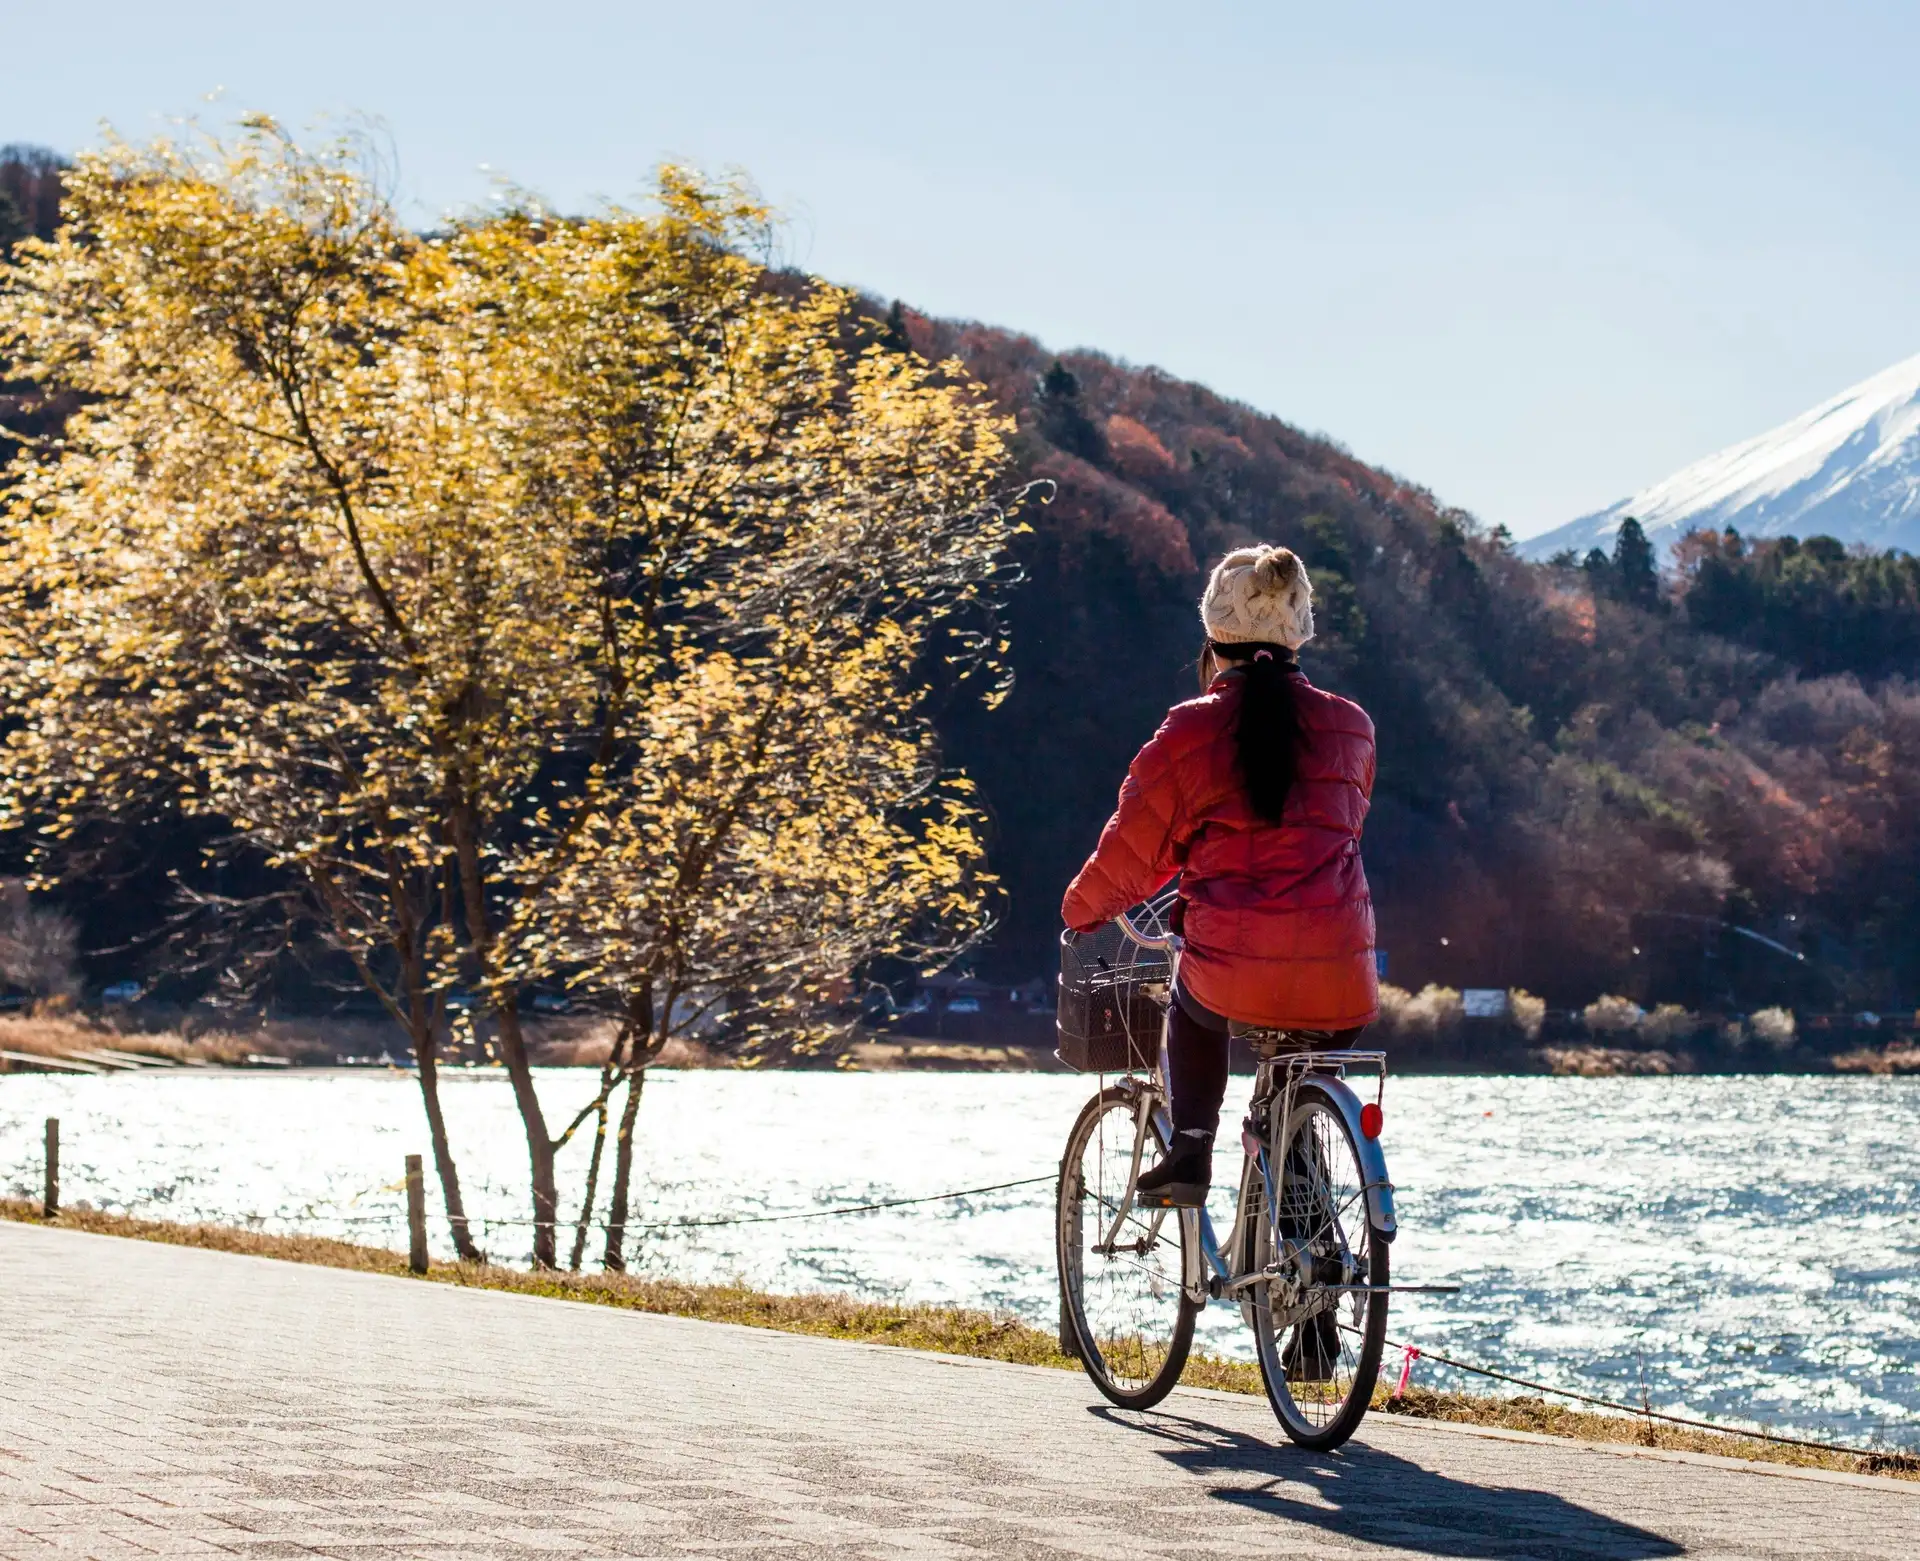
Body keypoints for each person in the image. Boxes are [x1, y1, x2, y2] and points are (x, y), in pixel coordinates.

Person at [1061, 543, 1379, 1209]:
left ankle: (1191, 1152)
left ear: (1214, 637)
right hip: (1343, 973)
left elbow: (1136, 849)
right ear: (1299, 633)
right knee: (1294, 1094)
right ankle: (1305, 1214)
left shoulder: (1191, 729)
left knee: (1193, 1006)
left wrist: (1083, 910)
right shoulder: (1352, 727)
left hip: (1232, 970)